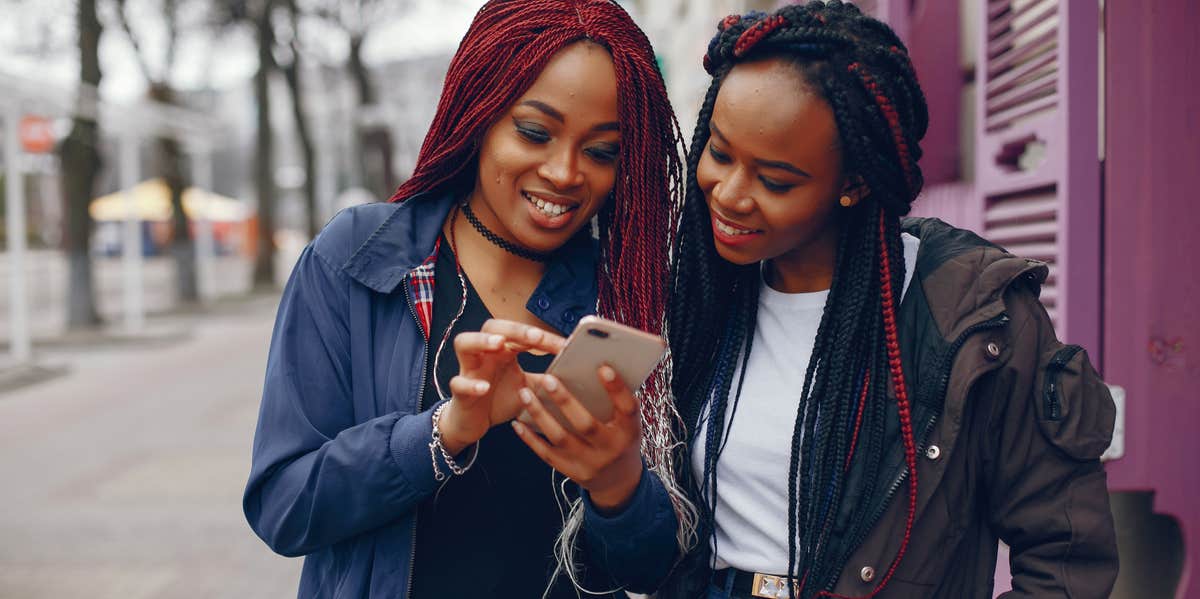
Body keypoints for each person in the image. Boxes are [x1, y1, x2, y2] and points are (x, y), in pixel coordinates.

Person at [509, 2, 1119, 598]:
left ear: (853, 183)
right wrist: (615, 482)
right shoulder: (694, 299)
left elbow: (1065, 562)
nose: (730, 194)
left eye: (775, 180)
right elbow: (649, 561)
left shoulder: (973, 318)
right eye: (719, 153)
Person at [241, 1, 692, 597]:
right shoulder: (358, 258)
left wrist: (618, 486)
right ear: (477, 113)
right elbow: (285, 507)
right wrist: (445, 432)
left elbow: (656, 568)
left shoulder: (627, 298)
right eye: (535, 132)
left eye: (602, 151)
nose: (565, 172)